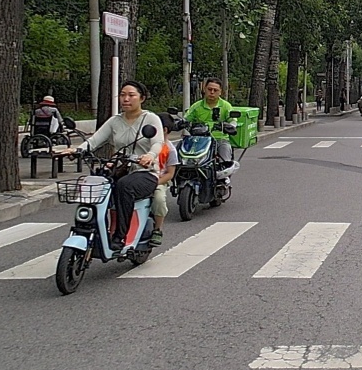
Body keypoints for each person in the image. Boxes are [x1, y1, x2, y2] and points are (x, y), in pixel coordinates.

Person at [68, 80, 164, 248]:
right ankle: (95, 230)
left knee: (123, 186)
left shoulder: (151, 119)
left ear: (142, 98)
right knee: (96, 185)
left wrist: (150, 155)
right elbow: (94, 141)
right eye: (122, 95)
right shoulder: (115, 121)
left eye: (131, 95)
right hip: (120, 169)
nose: (126, 99)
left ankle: (120, 236)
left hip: (145, 172)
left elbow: (157, 142)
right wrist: (77, 150)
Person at [183, 79, 239, 178]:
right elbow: (186, 118)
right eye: (209, 89)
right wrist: (180, 123)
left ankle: (224, 179)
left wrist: (230, 126)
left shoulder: (226, 106)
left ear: (220, 92)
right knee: (182, 153)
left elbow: (233, 120)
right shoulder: (196, 106)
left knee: (225, 152)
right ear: (204, 89)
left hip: (219, 139)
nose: (212, 92)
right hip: (199, 140)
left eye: (215, 90)